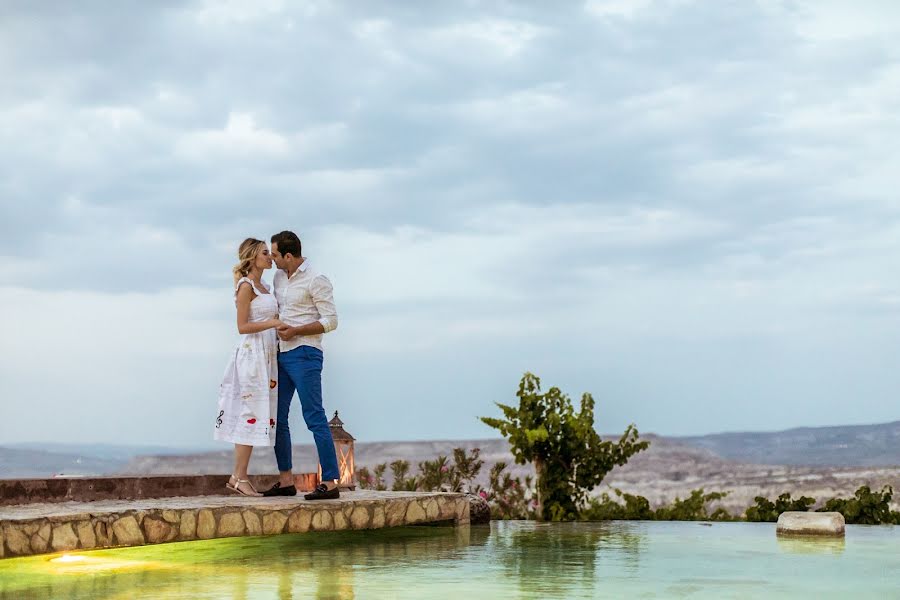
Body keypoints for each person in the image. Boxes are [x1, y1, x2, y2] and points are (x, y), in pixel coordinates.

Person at [262, 230, 341, 500]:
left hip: (306, 353)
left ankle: (330, 482)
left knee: (314, 416)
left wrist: (296, 331)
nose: (271, 259)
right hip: (281, 355)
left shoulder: (316, 278)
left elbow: (331, 321)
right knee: (277, 418)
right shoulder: (278, 277)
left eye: (274, 254)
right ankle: (286, 481)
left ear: (288, 255)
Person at [214, 238, 282, 496]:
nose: (270, 257)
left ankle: (238, 475)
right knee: (248, 412)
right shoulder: (246, 286)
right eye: (265, 253)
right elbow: (242, 326)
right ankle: (239, 476)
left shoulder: (265, 285)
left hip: (266, 355)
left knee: (257, 414)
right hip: (251, 355)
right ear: (253, 257)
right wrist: (273, 324)